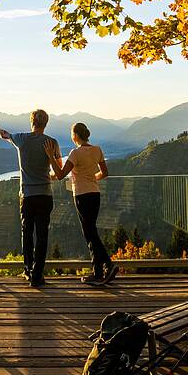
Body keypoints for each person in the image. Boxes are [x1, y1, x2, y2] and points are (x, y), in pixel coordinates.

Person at [0, 109, 60, 287]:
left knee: (27, 233)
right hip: (45, 195)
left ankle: (28, 269)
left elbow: (4, 135)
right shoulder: (52, 142)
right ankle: (38, 274)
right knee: (42, 235)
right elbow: (57, 169)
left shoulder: (21, 139)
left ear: (32, 121)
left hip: (27, 195)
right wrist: (45, 175)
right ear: (46, 123)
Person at [45, 122, 119, 286]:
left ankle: (109, 264)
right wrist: (92, 178)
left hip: (82, 196)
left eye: (72, 133)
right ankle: (98, 273)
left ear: (75, 135)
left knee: (90, 233)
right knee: (91, 232)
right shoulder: (97, 150)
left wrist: (50, 156)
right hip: (95, 194)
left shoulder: (75, 153)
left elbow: (60, 175)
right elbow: (105, 172)